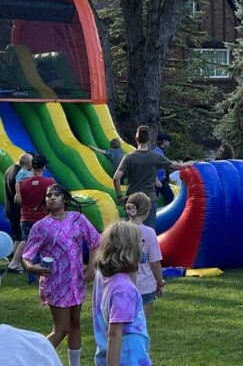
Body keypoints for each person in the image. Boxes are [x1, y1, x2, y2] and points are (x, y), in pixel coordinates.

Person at [22, 183, 101, 365]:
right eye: (48, 195)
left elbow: (96, 241)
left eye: (55, 195)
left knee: (75, 324)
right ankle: (31, 359)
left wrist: (90, 268)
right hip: (55, 283)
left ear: (64, 198)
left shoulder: (77, 219)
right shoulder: (41, 226)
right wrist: (32, 268)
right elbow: (27, 256)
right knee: (61, 328)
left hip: (76, 281)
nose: (51, 198)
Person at [92, 221, 151, 366]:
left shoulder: (106, 278)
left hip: (112, 352)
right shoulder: (124, 289)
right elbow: (115, 334)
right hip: (129, 357)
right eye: (139, 242)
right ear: (131, 248)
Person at [114, 126, 195, 229]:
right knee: (149, 230)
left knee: (131, 232)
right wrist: (187, 163)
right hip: (149, 199)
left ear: (136, 139)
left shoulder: (129, 157)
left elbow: (116, 178)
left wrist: (120, 197)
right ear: (149, 139)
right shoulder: (155, 156)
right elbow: (174, 166)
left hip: (132, 199)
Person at [125, 192, 164, 317]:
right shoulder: (149, 232)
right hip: (145, 286)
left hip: (122, 284)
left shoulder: (119, 230)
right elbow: (155, 263)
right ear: (146, 211)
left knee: (123, 325)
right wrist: (160, 282)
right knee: (140, 327)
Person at [18, 154, 55, 283]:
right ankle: (43, 275)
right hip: (42, 218)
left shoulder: (22, 184)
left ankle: (32, 277)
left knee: (30, 249)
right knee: (45, 248)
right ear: (44, 167)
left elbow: (19, 200)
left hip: (26, 218)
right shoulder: (50, 182)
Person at [3, 154, 27, 273]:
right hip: (18, 210)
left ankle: (13, 260)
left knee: (18, 236)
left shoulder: (10, 169)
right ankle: (14, 264)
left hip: (10, 209)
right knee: (24, 236)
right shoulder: (20, 174)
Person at [152, 132, 175, 206]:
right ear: (164, 141)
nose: (169, 143)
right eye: (169, 141)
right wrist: (156, 180)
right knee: (154, 199)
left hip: (162, 179)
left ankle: (165, 213)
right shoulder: (157, 152)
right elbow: (152, 166)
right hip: (157, 179)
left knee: (170, 196)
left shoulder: (160, 151)